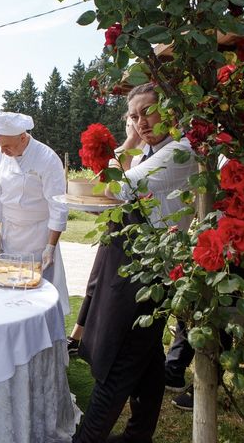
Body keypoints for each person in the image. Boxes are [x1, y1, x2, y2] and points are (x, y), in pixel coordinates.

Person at [73, 83, 198, 443]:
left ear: (170, 109)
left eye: (147, 111)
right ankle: (138, 433)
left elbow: (116, 188)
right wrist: (131, 144)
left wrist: (126, 145)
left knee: (121, 359)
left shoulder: (180, 151)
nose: (140, 122)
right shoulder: (151, 150)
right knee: (147, 360)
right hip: (142, 267)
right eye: (133, 116)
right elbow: (112, 185)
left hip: (155, 273)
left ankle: (88, 437)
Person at [67, 113, 145, 356]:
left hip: (136, 229)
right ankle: (77, 338)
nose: (131, 127)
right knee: (94, 281)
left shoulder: (145, 154)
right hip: (117, 225)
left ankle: (97, 343)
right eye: (128, 122)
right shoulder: (126, 151)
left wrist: (131, 142)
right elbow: (109, 189)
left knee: (114, 289)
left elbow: (120, 188)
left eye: (133, 123)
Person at [0, 111, 70, 313]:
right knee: (9, 292)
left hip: (39, 235)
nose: (3, 150)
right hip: (11, 234)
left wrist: (50, 246)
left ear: (23, 138)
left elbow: (58, 204)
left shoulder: (47, 158)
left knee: (40, 296)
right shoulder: (0, 154)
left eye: (7, 145)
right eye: (0, 145)